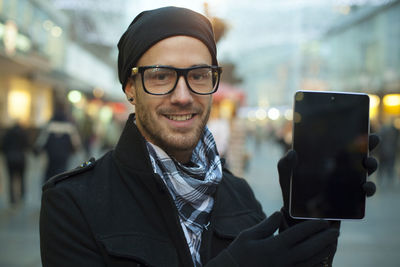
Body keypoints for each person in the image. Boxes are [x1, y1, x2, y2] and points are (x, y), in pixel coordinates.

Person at [39, 6, 379, 267]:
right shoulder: (73, 202)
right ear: (131, 88)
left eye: (199, 75)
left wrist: (310, 231)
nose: (183, 96)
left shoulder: (239, 194)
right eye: (161, 76)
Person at [34, 106, 81, 182]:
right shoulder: (69, 126)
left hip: (51, 157)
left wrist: (37, 151)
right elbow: (76, 143)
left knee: (49, 176)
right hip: (64, 157)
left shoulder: (49, 126)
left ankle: (48, 191)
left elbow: (41, 141)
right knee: (62, 176)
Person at [1, 121, 29, 205]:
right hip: (21, 158)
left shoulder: (7, 134)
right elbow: (27, 145)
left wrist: (7, 153)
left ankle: (12, 199)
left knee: (10, 179)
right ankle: (22, 196)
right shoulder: (23, 133)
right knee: (22, 178)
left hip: (10, 159)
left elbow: (2, 147)